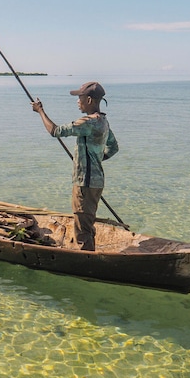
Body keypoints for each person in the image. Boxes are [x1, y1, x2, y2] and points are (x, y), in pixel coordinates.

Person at [32, 81, 118, 251]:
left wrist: (40, 111)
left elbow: (56, 131)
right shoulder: (103, 121)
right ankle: (90, 252)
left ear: (89, 100)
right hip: (97, 182)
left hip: (84, 183)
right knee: (87, 222)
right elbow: (113, 148)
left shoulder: (88, 122)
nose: (78, 101)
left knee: (82, 229)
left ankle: (86, 258)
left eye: (80, 97)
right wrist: (95, 160)